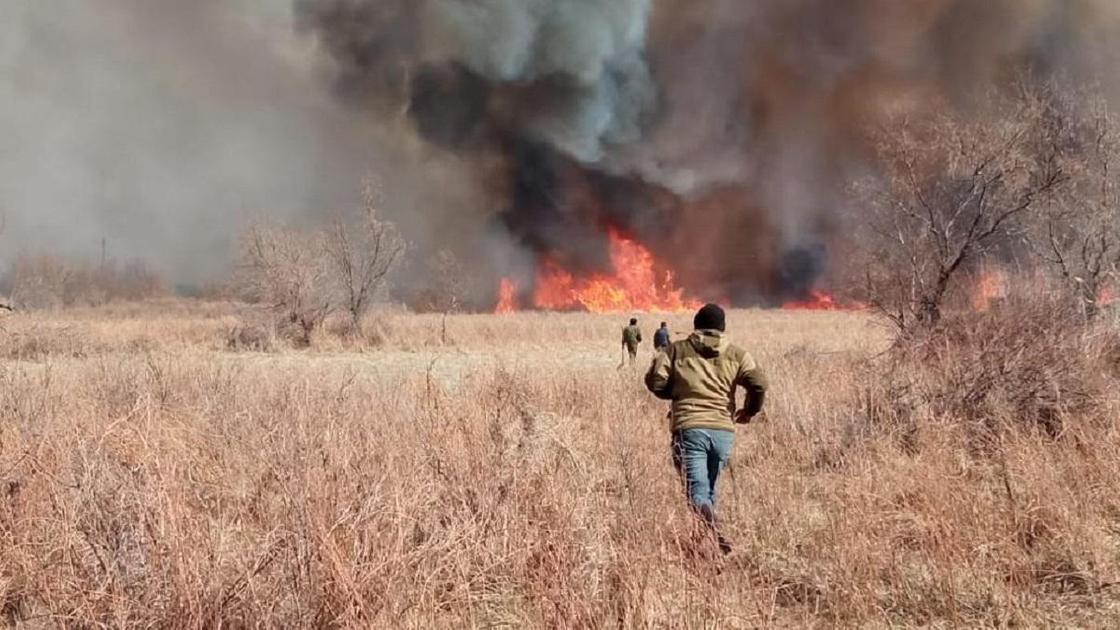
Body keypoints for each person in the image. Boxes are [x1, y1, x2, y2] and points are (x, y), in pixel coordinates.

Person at [644, 303, 767, 554]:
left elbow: (656, 381)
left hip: (689, 428)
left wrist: (675, 393)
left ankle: (718, 533)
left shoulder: (676, 350)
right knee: (709, 488)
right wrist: (749, 411)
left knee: (696, 493)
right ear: (722, 327)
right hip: (723, 430)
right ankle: (707, 546)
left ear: (696, 324)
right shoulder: (737, 354)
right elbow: (759, 384)